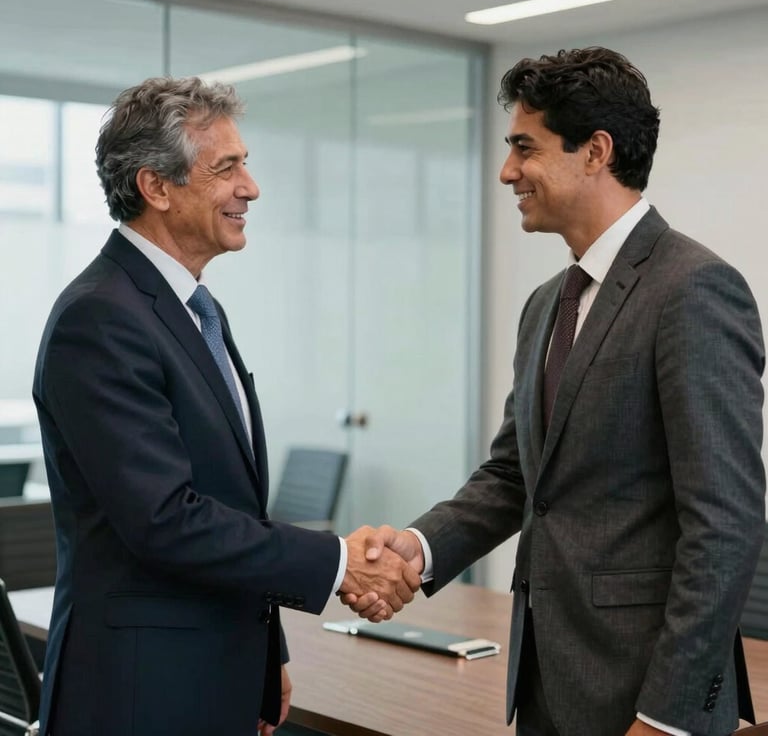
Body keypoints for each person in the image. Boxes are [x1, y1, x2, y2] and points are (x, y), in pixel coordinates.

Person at [344, 47, 766, 736]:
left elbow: (725, 522)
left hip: (646, 699)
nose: (508, 172)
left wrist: (667, 718)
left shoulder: (692, 289)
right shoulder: (547, 304)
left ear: (595, 151)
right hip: (546, 683)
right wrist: (416, 550)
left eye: (525, 149)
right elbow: (516, 476)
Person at [32, 76, 419, 736]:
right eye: (227, 168)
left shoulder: (190, 310)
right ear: (157, 186)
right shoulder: (100, 318)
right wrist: (337, 562)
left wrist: (270, 654)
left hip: (212, 671)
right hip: (139, 692)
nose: (251, 187)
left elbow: (229, 500)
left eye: (247, 163)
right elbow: (164, 519)